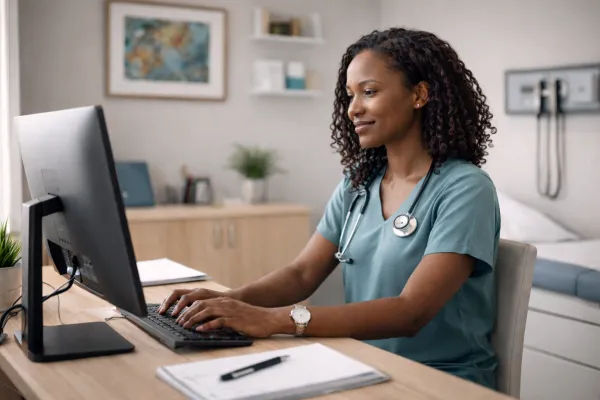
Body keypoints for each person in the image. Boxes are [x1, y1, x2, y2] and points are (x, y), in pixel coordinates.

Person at [159, 27, 500, 390]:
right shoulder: (359, 183)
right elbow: (303, 273)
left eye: (369, 92)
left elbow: (411, 311)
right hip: (361, 366)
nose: (353, 108)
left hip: (440, 381)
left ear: (419, 94)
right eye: (350, 95)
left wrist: (275, 320)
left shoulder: (464, 189)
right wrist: (228, 302)